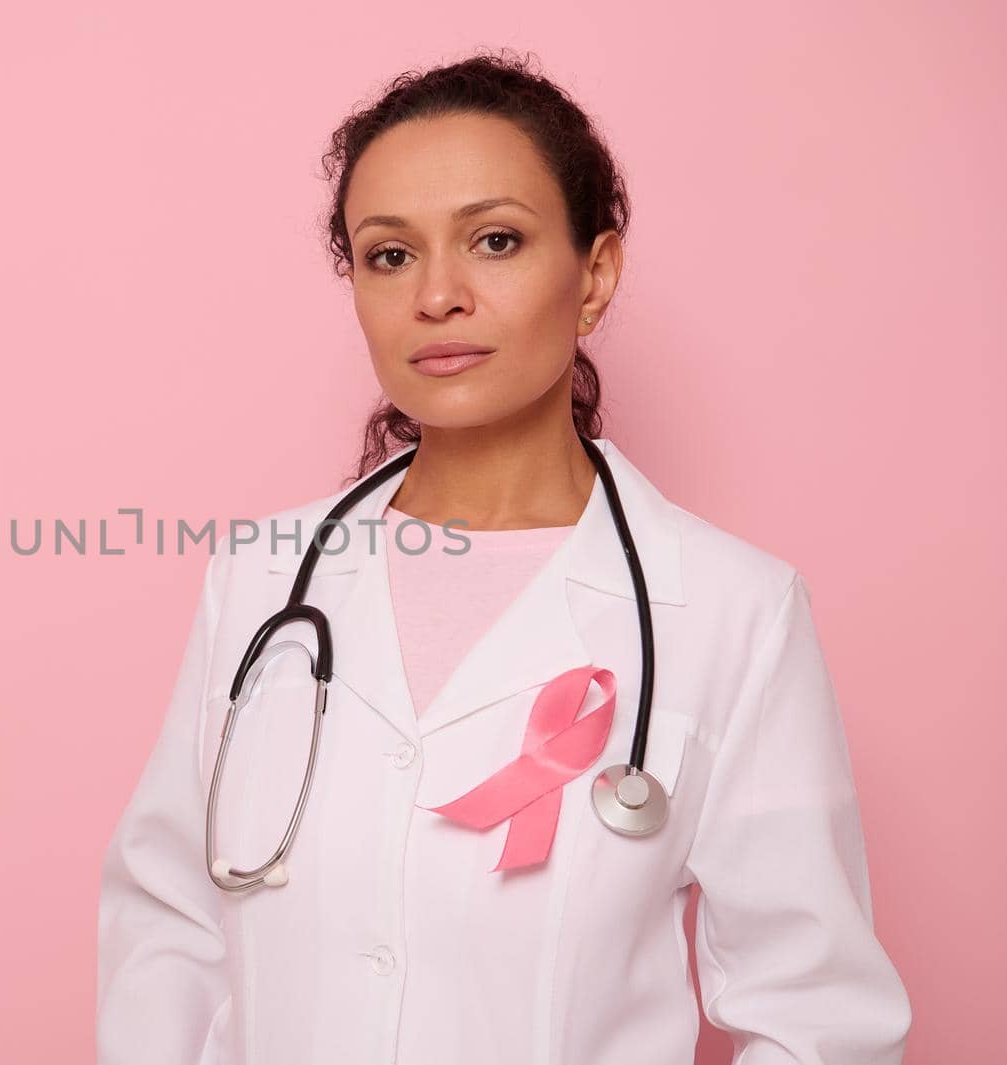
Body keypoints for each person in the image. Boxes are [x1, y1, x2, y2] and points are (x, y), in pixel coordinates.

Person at [95, 49, 911, 1065]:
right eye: (389, 255)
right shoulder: (261, 579)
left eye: (494, 240)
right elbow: (169, 929)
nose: (436, 296)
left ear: (594, 274)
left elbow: (817, 1021)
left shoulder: (732, 610)